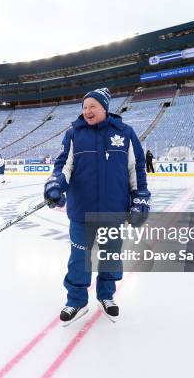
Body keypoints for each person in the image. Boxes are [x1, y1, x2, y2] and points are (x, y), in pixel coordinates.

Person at [43, 88, 150, 325]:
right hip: (82, 210)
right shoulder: (73, 134)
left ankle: (106, 296)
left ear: (105, 108)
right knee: (79, 258)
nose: (87, 111)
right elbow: (63, 166)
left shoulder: (125, 133)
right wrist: (55, 186)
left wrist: (140, 198)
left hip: (113, 209)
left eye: (92, 106)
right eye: (84, 106)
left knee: (111, 256)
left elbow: (136, 169)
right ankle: (76, 300)